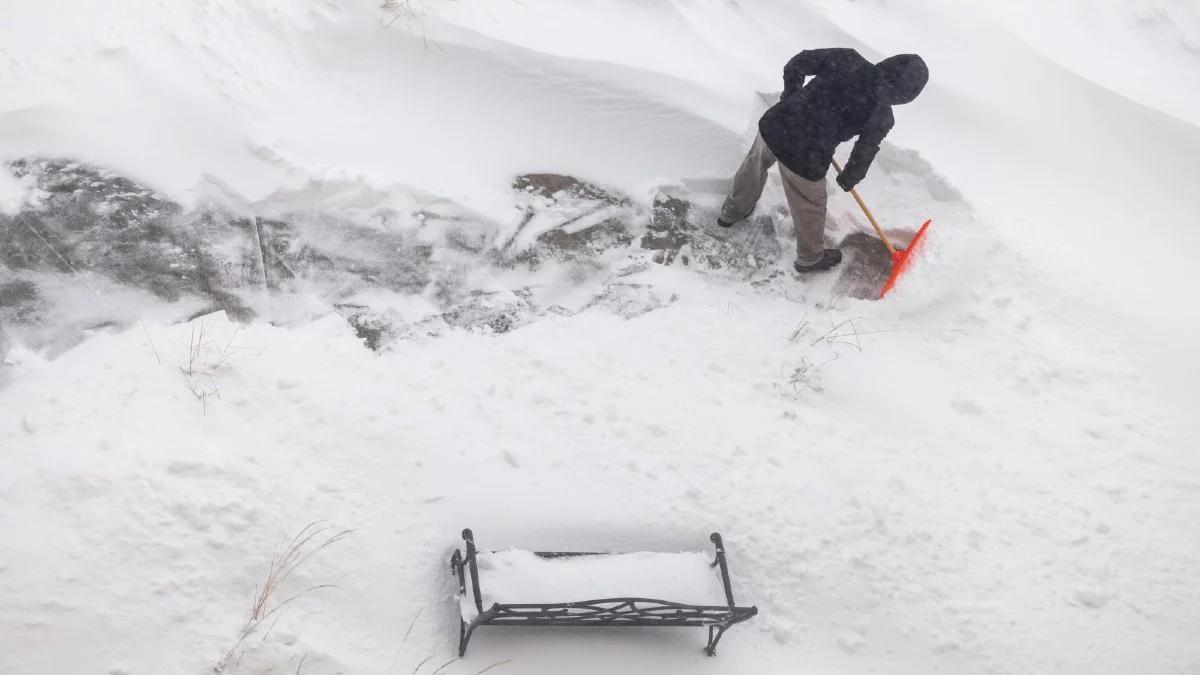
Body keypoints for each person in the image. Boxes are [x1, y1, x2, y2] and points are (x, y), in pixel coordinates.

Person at [719, 49, 928, 273]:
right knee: (811, 205)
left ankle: (732, 212)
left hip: (776, 125)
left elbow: (796, 64)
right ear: (906, 95)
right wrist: (850, 176)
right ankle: (810, 258)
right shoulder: (882, 113)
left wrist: (790, 98)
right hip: (806, 156)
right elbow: (865, 149)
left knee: (754, 167)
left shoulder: (848, 58)